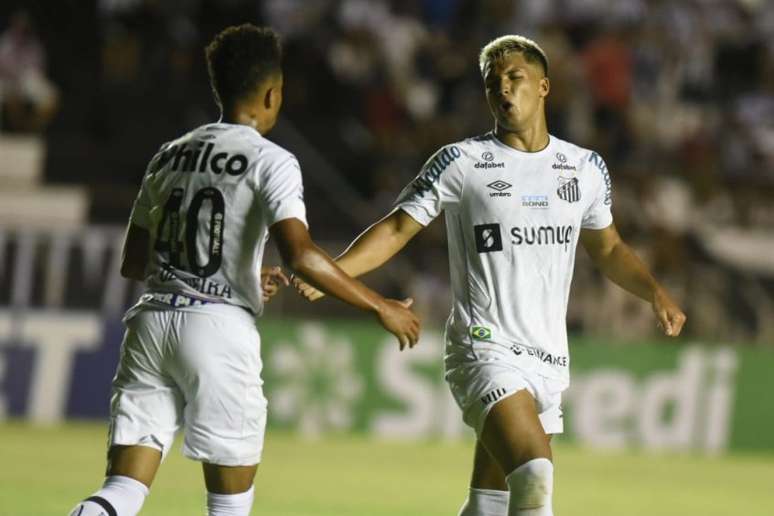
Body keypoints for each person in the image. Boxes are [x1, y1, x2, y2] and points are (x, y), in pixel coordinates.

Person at [294, 35, 686, 516]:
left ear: (543, 86)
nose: (503, 88)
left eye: (514, 77)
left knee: (490, 501)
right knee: (535, 475)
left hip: (547, 358)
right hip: (484, 347)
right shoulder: (461, 162)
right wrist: (331, 273)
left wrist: (654, 292)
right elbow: (396, 229)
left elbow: (608, 248)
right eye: (492, 82)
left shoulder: (584, 169)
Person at [68, 24, 419, 516]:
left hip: (150, 326)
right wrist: (379, 304)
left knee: (122, 491)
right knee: (228, 506)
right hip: (216, 332)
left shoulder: (168, 155)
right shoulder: (271, 161)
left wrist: (241, 277)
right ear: (272, 93)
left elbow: (134, 262)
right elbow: (300, 254)